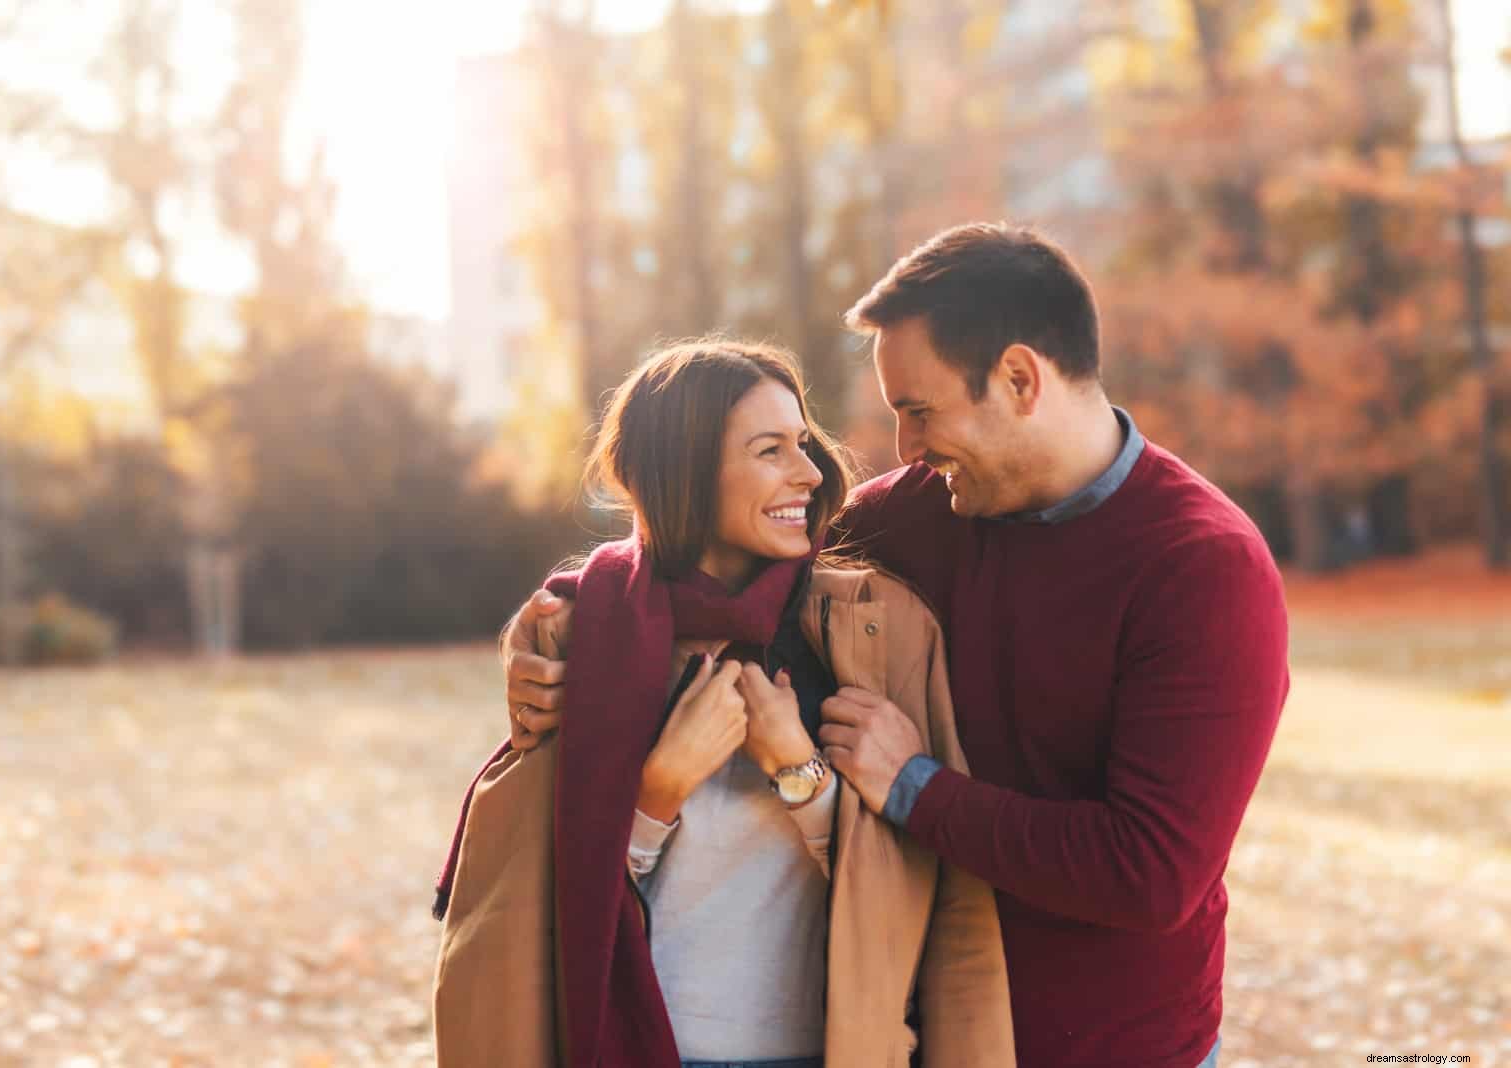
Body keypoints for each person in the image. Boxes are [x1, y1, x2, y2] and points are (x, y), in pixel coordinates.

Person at [503, 224, 1290, 1068]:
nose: (907, 449)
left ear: (1020, 379)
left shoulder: (1203, 567)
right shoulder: (919, 512)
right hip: (927, 1035)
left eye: (921, 411)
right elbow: (714, 554)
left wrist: (915, 788)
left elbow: (1150, 874)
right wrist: (554, 625)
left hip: (1116, 1046)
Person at [432, 340, 1014, 1068]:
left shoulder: (879, 630)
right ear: (685, 474)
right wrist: (655, 795)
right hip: (640, 1050)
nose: (808, 471)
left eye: (803, 443)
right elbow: (546, 912)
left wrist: (799, 772)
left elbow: (933, 895)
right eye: (770, 450)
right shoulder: (585, 635)